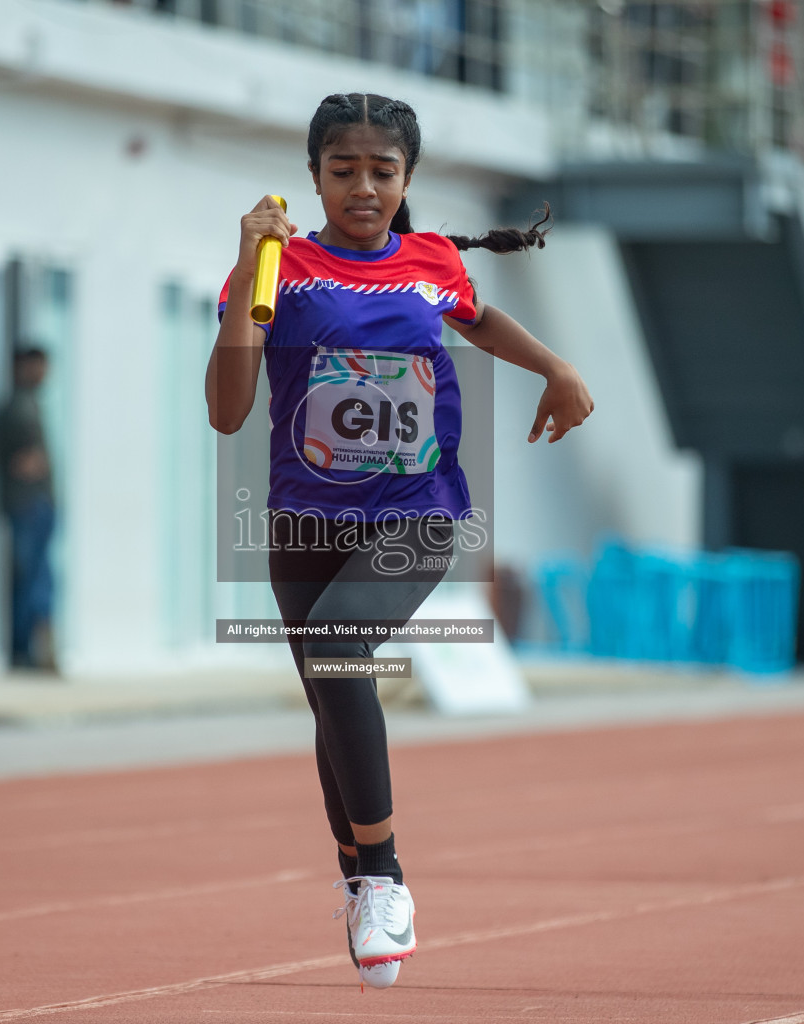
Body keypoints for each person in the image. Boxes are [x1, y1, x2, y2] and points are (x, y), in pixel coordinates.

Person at [206, 92, 593, 989]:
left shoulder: (429, 263)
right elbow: (228, 413)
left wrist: (557, 367)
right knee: (330, 699)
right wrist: (246, 264)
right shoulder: (280, 271)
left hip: (418, 512)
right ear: (313, 177)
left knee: (339, 653)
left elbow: (475, 316)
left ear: (408, 178)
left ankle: (382, 877)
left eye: (383, 172)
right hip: (303, 522)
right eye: (343, 172)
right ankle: (360, 879)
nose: (364, 188)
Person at [0, 346, 58, 671]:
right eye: (40, 367)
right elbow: (23, 462)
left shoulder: (26, 404)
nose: (45, 374)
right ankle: (25, 651)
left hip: (33, 505)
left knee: (36, 577)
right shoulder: (18, 408)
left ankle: (30, 649)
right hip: (29, 505)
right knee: (33, 579)